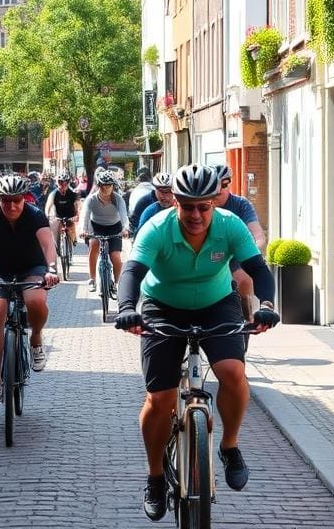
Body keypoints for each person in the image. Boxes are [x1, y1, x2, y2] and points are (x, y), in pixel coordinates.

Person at [114, 164, 280, 521]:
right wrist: (128, 308)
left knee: (233, 372)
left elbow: (258, 269)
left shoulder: (229, 225)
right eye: (188, 206)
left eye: (203, 207)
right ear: (175, 201)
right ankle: (155, 476)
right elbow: (132, 271)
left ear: (214, 203)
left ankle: (230, 446)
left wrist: (266, 306)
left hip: (216, 304)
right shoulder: (157, 228)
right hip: (163, 306)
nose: (196, 215)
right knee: (159, 398)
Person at [0, 174, 59, 405]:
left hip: (32, 268)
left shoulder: (35, 215)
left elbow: (48, 243)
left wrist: (53, 268)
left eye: (16, 200)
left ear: (24, 198)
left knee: (35, 300)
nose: (12, 205)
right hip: (0, 271)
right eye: (6, 200)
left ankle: (36, 338)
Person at [213, 164, 267, 322]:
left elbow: (259, 236)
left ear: (229, 184)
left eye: (224, 185)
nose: (218, 191)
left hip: (234, 256)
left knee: (244, 280)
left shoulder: (241, 204)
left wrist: (251, 253)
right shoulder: (204, 204)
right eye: (214, 186)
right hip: (209, 254)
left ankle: (247, 320)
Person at [79, 169, 129, 295]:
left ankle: (118, 283)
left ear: (113, 186)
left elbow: (124, 215)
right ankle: (92, 279)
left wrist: (125, 228)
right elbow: (84, 215)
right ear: (98, 185)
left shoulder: (118, 199)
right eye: (103, 185)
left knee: (115, 256)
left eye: (109, 185)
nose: (106, 188)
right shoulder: (91, 199)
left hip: (115, 227)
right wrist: (83, 229)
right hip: (96, 226)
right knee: (94, 245)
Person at [44, 171, 80, 252]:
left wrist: (77, 215)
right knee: (54, 229)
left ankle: (73, 240)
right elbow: (48, 207)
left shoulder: (73, 194)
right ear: (57, 183)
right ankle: (57, 246)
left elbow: (77, 206)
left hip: (70, 215)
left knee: (71, 228)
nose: (63, 186)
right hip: (58, 215)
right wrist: (47, 216)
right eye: (60, 183)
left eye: (65, 183)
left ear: (68, 183)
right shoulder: (53, 194)